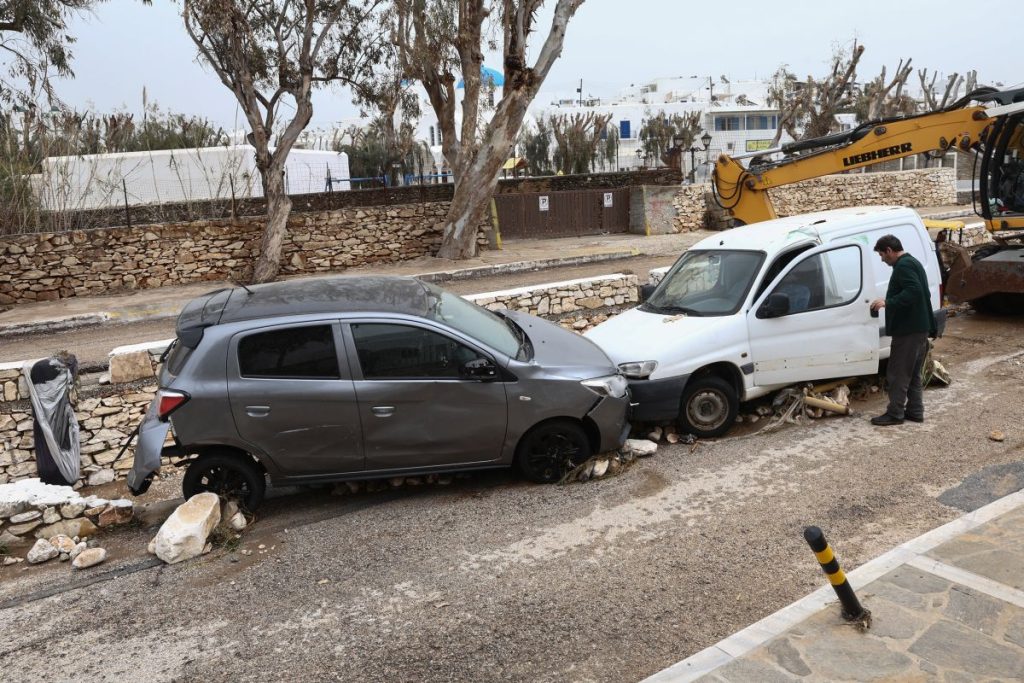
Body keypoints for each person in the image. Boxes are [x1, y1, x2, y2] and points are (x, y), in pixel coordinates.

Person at [869, 235, 937, 426]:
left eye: (882, 255)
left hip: (908, 330)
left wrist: (888, 302)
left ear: (889, 251)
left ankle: (895, 413)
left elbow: (914, 290)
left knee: (898, 373)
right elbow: (921, 291)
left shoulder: (904, 266)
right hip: (919, 328)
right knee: (913, 373)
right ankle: (915, 411)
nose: (882, 259)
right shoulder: (912, 262)